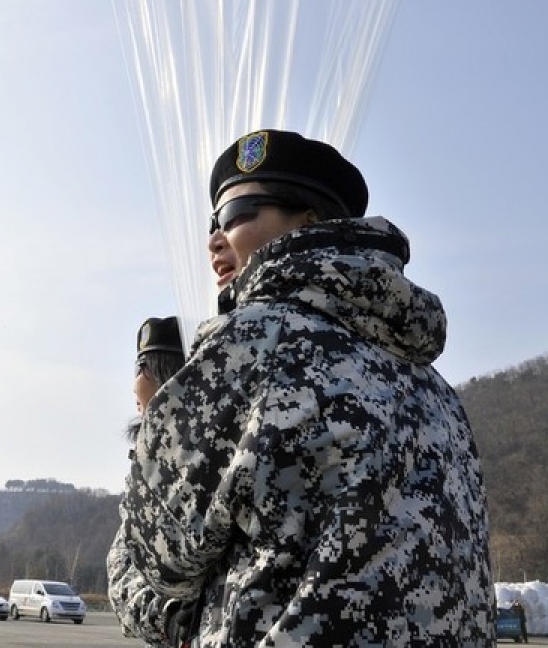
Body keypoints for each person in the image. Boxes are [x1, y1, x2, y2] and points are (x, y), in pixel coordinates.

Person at [117, 129, 494, 646]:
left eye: (235, 214)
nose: (213, 240)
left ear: (309, 223)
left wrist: (151, 431)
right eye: (211, 224)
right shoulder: (438, 389)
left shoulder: (255, 339)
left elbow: (161, 556)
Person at [108, 316, 193, 645]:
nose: (135, 384)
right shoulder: (150, 464)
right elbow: (123, 573)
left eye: (143, 368)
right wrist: (170, 619)